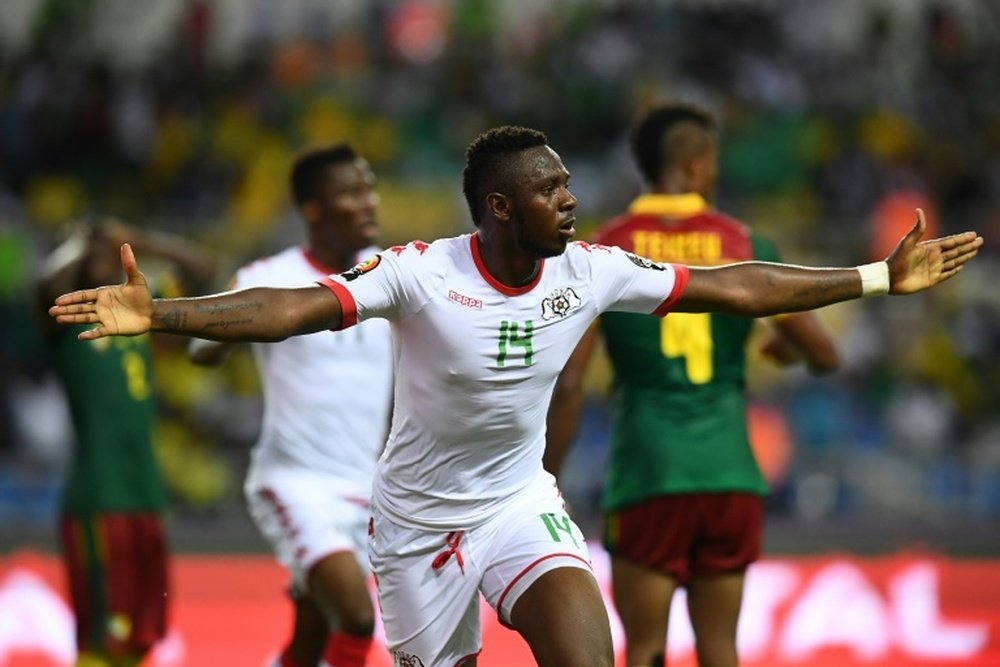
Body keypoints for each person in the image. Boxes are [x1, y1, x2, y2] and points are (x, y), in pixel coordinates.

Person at [48, 126, 981, 667]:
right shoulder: (418, 275)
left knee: (591, 656)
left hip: (514, 501)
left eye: (569, 183)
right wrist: (162, 313)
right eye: (550, 188)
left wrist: (873, 278)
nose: (571, 200)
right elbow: (292, 308)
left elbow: (738, 286)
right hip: (412, 524)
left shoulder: (590, 269)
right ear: (500, 207)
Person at [545, 102, 839, 667]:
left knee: (647, 649)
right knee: (720, 648)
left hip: (648, 472)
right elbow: (826, 356)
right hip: (729, 471)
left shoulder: (604, 250)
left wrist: (547, 476)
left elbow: (571, 383)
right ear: (698, 164)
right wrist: (787, 347)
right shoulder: (748, 245)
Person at [187, 143, 394, 667]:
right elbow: (201, 352)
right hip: (298, 483)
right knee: (357, 618)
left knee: (309, 645)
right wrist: (223, 327)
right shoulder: (268, 276)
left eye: (368, 188)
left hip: (368, 489)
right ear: (313, 209)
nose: (368, 202)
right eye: (350, 192)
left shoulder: (391, 279)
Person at [37, 218, 214, 667]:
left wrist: (138, 238)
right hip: (100, 496)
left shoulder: (137, 318)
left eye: (108, 251)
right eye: (92, 252)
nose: (103, 255)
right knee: (103, 638)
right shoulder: (66, 322)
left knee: (141, 635)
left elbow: (204, 271)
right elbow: (43, 287)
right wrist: (82, 240)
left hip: (146, 494)